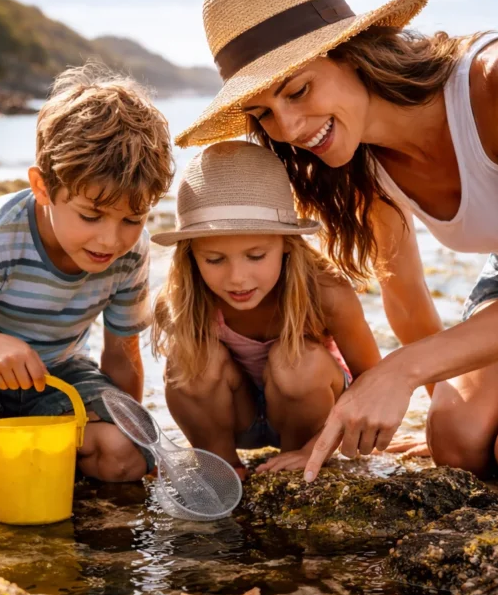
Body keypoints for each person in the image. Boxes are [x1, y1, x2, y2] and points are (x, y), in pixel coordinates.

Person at [175, 0, 498, 497]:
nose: (289, 126)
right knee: (457, 443)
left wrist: (399, 372)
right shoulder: (350, 160)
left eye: (297, 90)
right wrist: (443, 409)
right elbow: (408, 298)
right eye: (265, 112)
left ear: (352, 52)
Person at [0, 64, 174, 481]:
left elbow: (122, 355)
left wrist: (136, 436)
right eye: (91, 215)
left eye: (132, 219)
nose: (110, 240)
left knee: (124, 456)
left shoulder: (128, 253)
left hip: (59, 377)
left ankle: (44, 452)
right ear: (43, 188)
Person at [151, 140, 380, 478]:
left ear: (287, 244)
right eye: (214, 260)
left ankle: (292, 465)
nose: (237, 278)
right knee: (187, 359)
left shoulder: (326, 292)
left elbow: (374, 383)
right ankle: (222, 466)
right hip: (236, 416)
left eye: (256, 256)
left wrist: (315, 447)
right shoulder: (182, 299)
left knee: (297, 361)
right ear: (191, 255)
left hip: (308, 413)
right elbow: (189, 388)